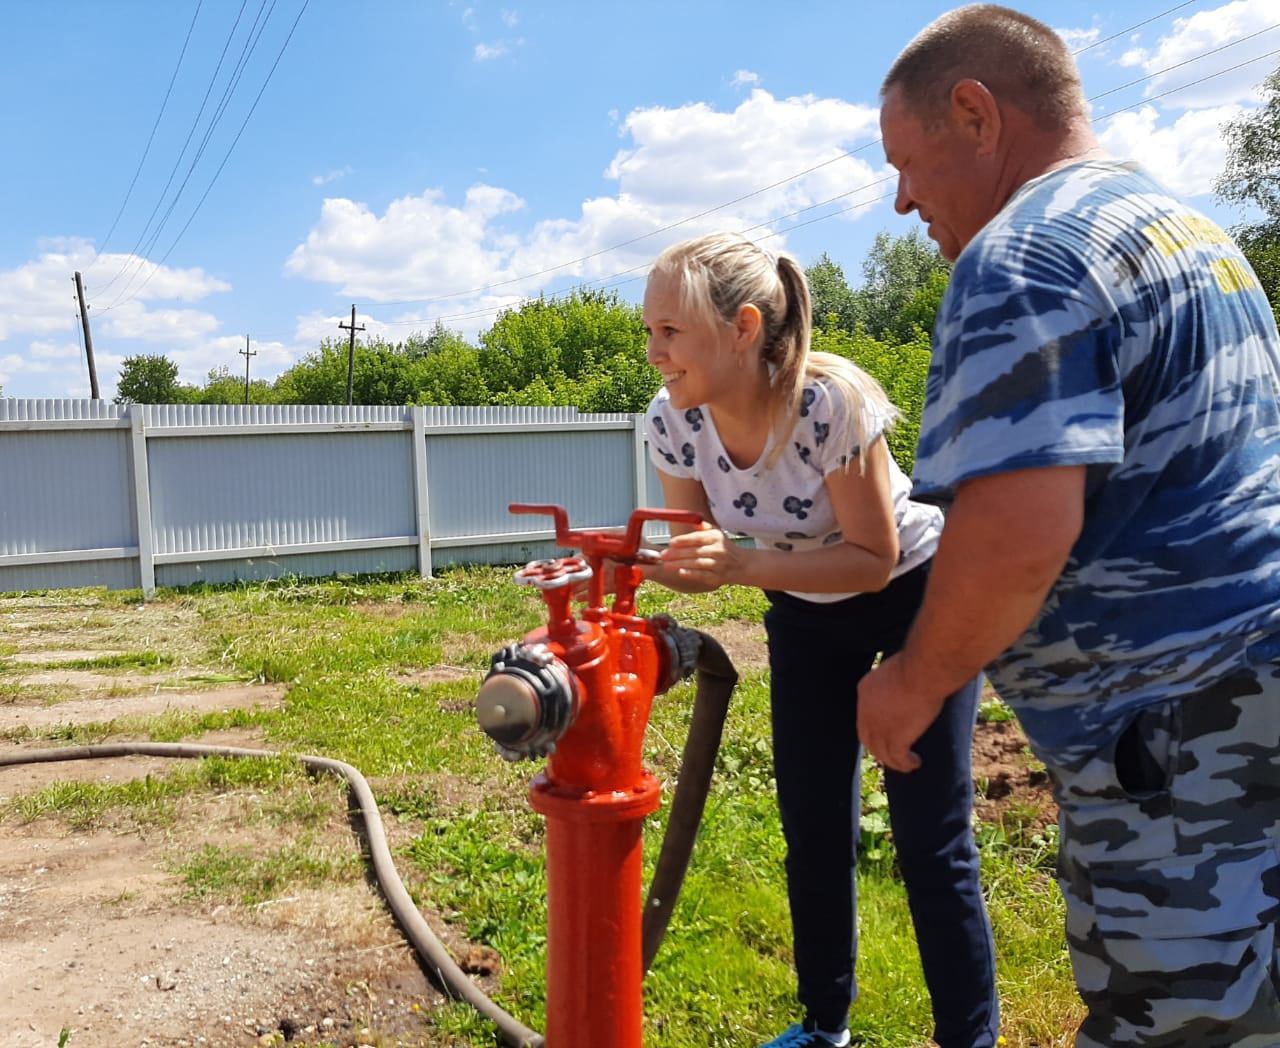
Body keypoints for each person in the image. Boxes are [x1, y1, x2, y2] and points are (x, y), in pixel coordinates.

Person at [860, 6, 1280, 1046]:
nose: (901, 196)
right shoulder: (1190, 235)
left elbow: (1014, 531)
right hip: (1249, 705)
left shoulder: (1019, 257)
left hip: (1179, 753)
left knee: (1181, 1023)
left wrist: (908, 686)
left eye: (905, 162)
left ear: (973, 113)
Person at [640, 231, 999, 1048]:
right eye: (649, 332)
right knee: (811, 823)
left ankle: (967, 1040)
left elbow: (873, 559)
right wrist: (637, 563)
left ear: (743, 326)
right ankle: (825, 1026)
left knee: (928, 831)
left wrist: (737, 565)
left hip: (911, 593)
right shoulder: (673, 422)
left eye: (672, 331)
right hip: (802, 606)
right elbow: (704, 552)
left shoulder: (827, 401)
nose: (656, 353)